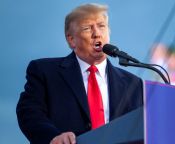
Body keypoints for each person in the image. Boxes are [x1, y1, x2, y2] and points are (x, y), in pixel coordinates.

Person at [16, 3, 143, 144]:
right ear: (71, 40)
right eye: (87, 28)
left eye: (101, 26)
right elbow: (29, 112)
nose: (97, 33)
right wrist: (52, 137)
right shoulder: (44, 71)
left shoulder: (133, 84)